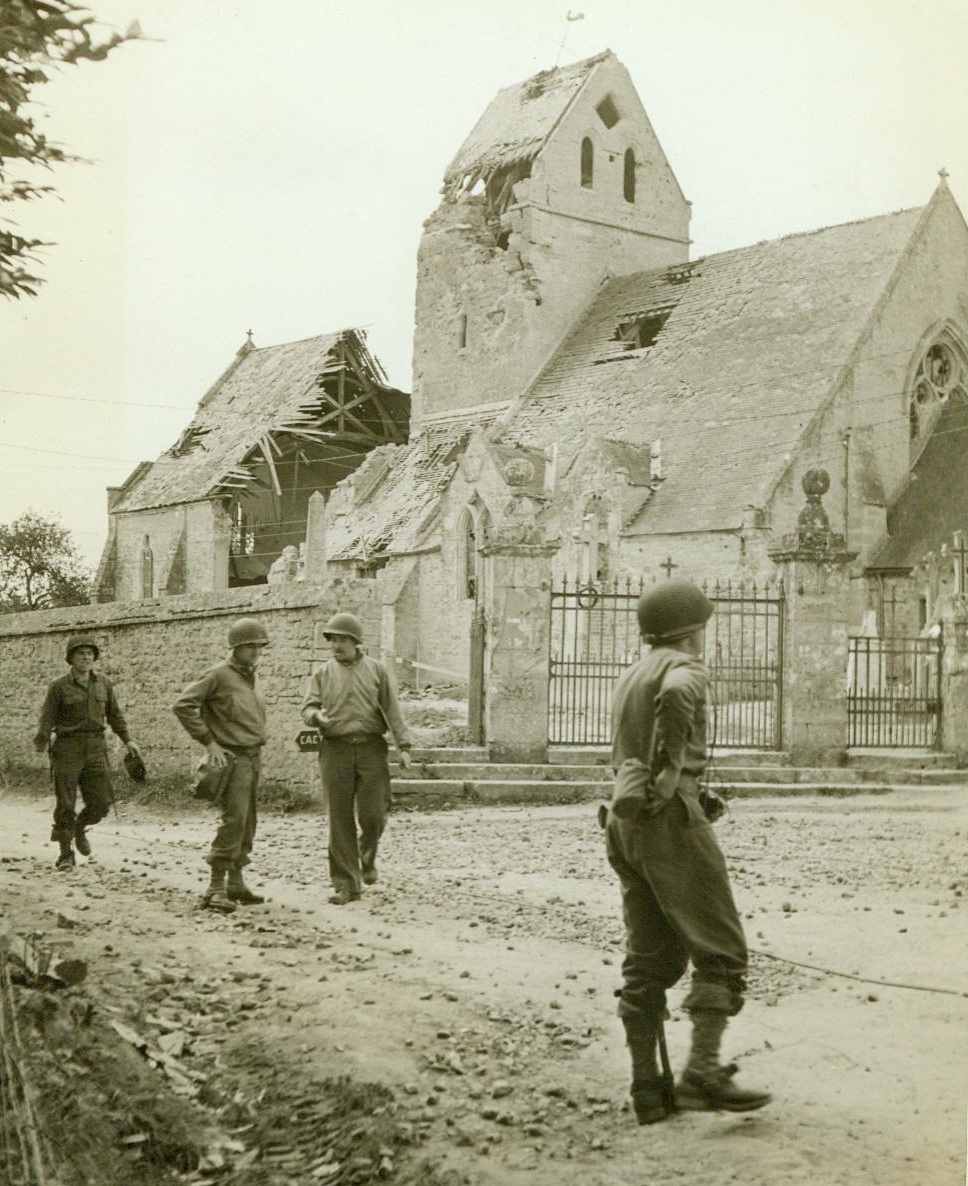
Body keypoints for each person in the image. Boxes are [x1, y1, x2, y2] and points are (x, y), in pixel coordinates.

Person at [604, 580, 771, 1124]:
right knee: (721, 952)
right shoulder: (686, 667)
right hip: (668, 821)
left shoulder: (632, 671)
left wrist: (680, 784)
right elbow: (677, 697)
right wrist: (673, 776)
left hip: (625, 823)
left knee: (649, 960)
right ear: (694, 629)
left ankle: (647, 1089)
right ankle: (701, 1074)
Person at [301, 612, 413, 905]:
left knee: (374, 815)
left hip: (371, 749)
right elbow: (308, 708)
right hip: (335, 750)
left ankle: (366, 852)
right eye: (332, 640)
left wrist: (404, 745)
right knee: (339, 820)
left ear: (355, 642)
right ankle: (346, 885)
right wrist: (316, 716)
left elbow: (392, 709)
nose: (336, 646)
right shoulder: (322, 673)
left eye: (341, 640)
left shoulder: (376, 670)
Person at [172, 617, 270, 913]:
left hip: (253, 757)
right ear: (235, 648)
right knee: (234, 820)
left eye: (259, 646)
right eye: (249, 646)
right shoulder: (218, 675)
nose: (255, 651)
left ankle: (236, 882)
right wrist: (210, 743)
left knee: (248, 821)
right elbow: (183, 705)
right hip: (233, 758)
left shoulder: (248, 675)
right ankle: (215, 887)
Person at [33, 635, 142, 871]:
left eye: (90, 653)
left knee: (101, 803)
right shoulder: (59, 686)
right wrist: (41, 741)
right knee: (66, 803)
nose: (86, 657)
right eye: (80, 653)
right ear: (70, 658)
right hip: (67, 748)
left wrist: (128, 741)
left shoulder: (103, 683)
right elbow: (47, 718)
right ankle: (65, 853)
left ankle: (80, 827)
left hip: (95, 748)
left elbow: (115, 715)